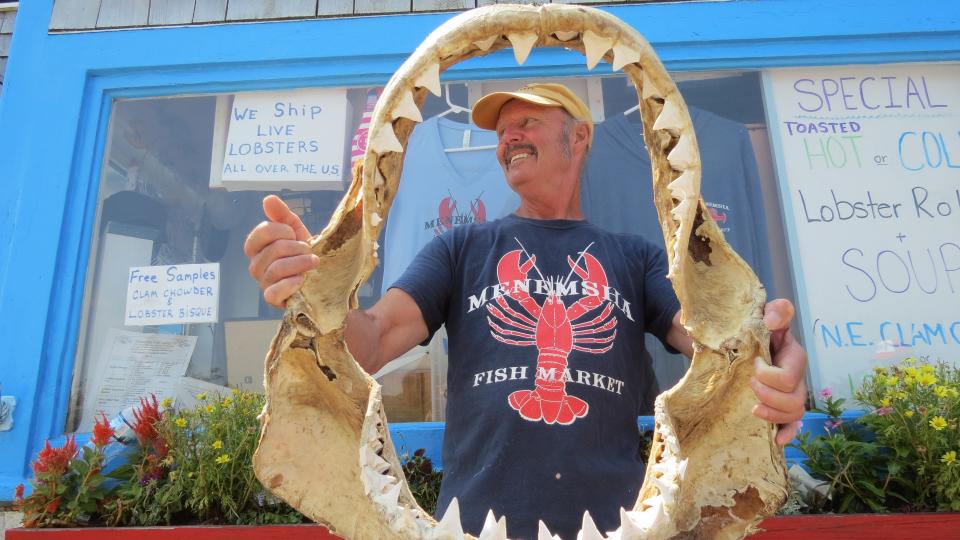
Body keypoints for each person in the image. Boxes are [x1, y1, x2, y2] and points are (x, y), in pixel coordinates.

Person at [244, 83, 807, 539]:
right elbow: (372, 339)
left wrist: (769, 351)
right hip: (474, 528)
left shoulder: (633, 258)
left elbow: (709, 338)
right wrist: (316, 295)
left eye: (528, 121)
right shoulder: (459, 249)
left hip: (616, 528)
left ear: (579, 136)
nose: (508, 135)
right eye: (502, 128)